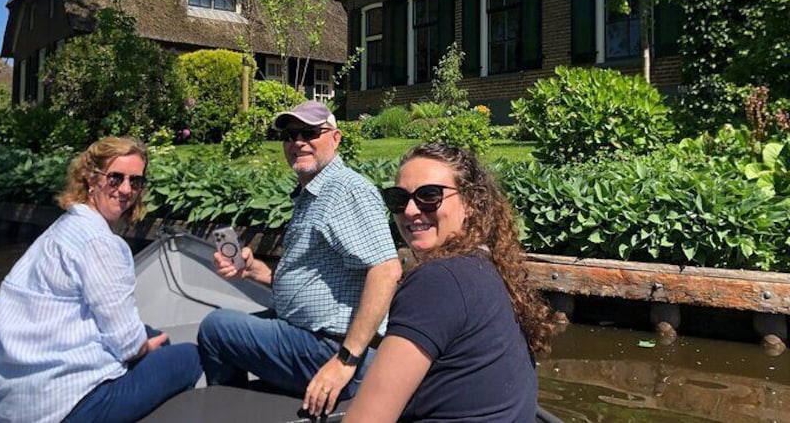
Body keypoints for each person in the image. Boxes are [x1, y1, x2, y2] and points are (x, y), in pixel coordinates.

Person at [197, 100, 402, 417]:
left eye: (309, 132)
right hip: (309, 335)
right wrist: (253, 270)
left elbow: (387, 270)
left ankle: (226, 414)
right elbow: (312, 278)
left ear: (336, 138)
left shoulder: (345, 189)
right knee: (233, 323)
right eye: (290, 135)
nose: (297, 142)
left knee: (215, 328)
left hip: (331, 348)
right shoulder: (313, 194)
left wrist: (344, 361)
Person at [0, 136, 202, 423]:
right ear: (90, 179)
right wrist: (145, 347)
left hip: (13, 400)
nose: (125, 189)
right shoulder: (100, 243)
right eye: (115, 178)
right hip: (65, 406)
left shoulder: (63, 229)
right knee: (189, 356)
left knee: (148, 334)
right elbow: (128, 345)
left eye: (135, 181)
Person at [344, 142, 555, 422]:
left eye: (429, 196)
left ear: (469, 204)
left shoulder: (437, 281)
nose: (409, 211)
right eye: (398, 198)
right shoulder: (488, 270)